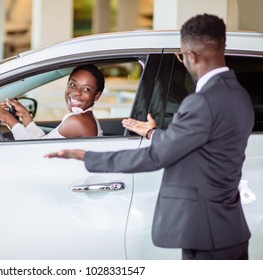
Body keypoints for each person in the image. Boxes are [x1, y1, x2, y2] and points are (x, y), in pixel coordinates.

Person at [45, 14, 254, 260]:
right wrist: (153, 132)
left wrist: (88, 157)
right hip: (229, 228)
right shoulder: (239, 95)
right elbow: (199, 146)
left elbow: (156, 158)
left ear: (189, 56)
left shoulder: (201, 102)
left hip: (205, 232)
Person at [0, 64, 104, 139]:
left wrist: (9, 120)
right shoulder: (84, 117)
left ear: (96, 95)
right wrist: (25, 116)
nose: (76, 92)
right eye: (73, 85)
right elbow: (44, 141)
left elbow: (35, 151)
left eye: (86, 89)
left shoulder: (78, 121)